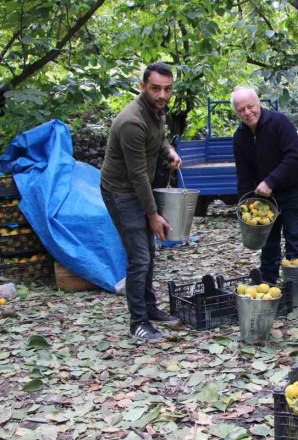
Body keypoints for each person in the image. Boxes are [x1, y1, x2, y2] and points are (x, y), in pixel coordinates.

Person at [100, 62, 183, 341]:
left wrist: (169, 150)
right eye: (156, 88)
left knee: (148, 252)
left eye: (167, 89)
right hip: (120, 192)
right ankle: (138, 322)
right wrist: (152, 214)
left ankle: (149, 308)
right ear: (143, 87)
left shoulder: (155, 113)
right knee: (139, 258)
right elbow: (137, 176)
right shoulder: (132, 122)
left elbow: (159, 139)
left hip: (138, 188)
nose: (162, 95)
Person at [231, 86, 298, 283]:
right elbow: (243, 175)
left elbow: (294, 158)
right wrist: (244, 204)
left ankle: (296, 288)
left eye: (250, 106)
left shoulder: (280, 123)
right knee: (268, 242)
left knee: (294, 238)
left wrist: (269, 181)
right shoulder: (239, 137)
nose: (247, 112)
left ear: (258, 103)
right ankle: (269, 286)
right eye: (241, 110)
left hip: (293, 191)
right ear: (237, 112)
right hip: (265, 199)